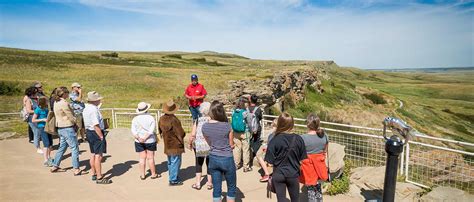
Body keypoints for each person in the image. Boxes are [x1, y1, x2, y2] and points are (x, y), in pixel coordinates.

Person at [264, 112, 307, 202]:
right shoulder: (298, 139)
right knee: (295, 199)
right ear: (292, 124)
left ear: (279, 123)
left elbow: (269, 162)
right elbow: (302, 159)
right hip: (293, 173)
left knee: (281, 199)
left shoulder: (274, 139)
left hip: (278, 174)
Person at [202, 101, 236, 202]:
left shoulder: (205, 126)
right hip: (227, 158)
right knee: (231, 188)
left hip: (213, 157)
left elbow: (209, 142)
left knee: (216, 189)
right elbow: (231, 144)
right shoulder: (227, 126)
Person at [50, 87, 87, 176]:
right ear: (64, 94)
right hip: (67, 127)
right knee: (74, 148)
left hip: (60, 127)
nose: (68, 94)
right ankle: (76, 169)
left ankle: (55, 166)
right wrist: (76, 123)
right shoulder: (64, 103)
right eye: (67, 93)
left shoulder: (56, 102)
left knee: (62, 147)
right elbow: (70, 116)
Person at [83, 91, 111, 184]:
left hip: (89, 132)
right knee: (98, 156)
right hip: (96, 132)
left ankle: (94, 173)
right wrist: (101, 136)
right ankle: (99, 177)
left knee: (93, 154)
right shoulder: (94, 110)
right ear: (95, 100)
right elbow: (96, 125)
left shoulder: (86, 108)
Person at [299, 113, 329, 201]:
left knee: (311, 191)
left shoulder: (303, 138)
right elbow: (325, 150)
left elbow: (300, 154)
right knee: (318, 189)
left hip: (308, 167)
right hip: (320, 165)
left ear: (307, 124)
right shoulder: (324, 135)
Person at [159, 100, 186, 186]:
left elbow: (159, 130)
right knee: (175, 161)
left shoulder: (162, 118)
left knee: (170, 161)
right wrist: (183, 136)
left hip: (167, 143)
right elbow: (180, 133)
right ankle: (173, 179)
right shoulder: (174, 120)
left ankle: (172, 176)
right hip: (175, 144)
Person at [131, 102, 160, 180]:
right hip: (150, 140)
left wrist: (139, 138)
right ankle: (153, 174)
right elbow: (151, 130)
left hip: (138, 140)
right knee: (150, 158)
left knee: (142, 158)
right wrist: (145, 138)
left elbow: (133, 131)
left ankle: (143, 175)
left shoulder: (135, 119)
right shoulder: (151, 118)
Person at [188, 102, 213, 190]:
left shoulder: (198, 120)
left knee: (198, 163)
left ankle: (198, 183)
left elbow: (193, 134)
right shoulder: (211, 120)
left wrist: (190, 143)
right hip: (209, 144)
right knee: (209, 163)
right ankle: (209, 183)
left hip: (199, 144)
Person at [232, 98, 252, 172]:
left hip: (236, 132)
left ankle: (236, 165)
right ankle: (246, 166)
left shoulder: (233, 111)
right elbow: (249, 123)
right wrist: (251, 131)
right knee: (245, 149)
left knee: (237, 148)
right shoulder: (245, 112)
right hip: (245, 132)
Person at [32, 96, 53, 166]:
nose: (48, 102)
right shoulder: (37, 109)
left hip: (48, 127)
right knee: (46, 144)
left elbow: (48, 117)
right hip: (42, 128)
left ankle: (49, 157)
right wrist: (42, 119)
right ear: (43, 102)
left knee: (50, 144)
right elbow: (33, 120)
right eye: (46, 101)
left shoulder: (46, 109)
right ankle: (45, 160)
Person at [24, 86, 42, 153]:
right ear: (31, 93)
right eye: (35, 91)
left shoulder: (37, 99)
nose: (37, 92)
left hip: (38, 117)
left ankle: (38, 145)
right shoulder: (29, 100)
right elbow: (29, 110)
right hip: (32, 118)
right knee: (36, 132)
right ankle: (38, 147)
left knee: (38, 132)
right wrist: (38, 111)